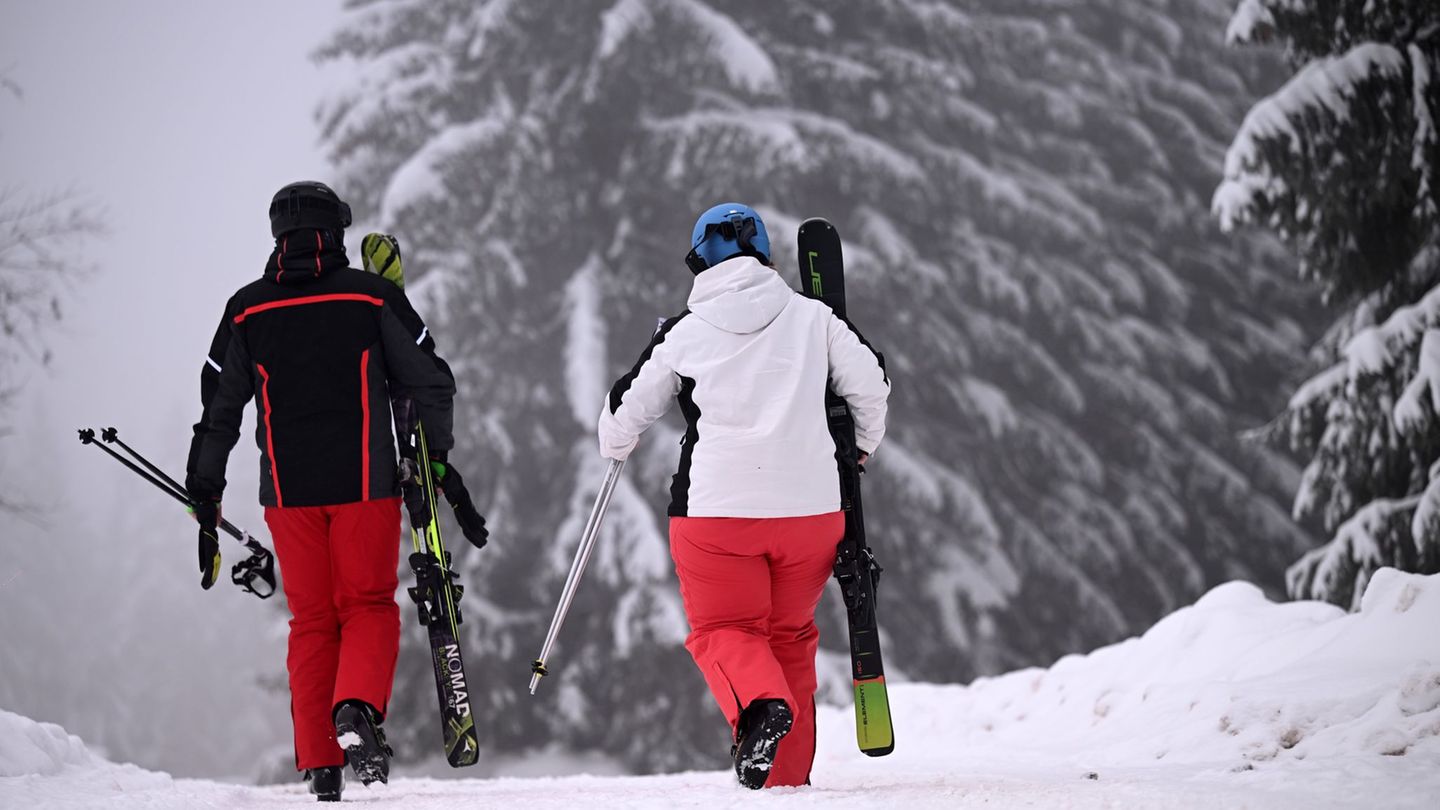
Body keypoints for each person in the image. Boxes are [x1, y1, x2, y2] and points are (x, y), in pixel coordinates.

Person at [597, 203, 890, 789]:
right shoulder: (816, 318)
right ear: (764, 253)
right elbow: (872, 386)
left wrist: (620, 437)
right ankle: (784, 786)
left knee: (724, 631)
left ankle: (758, 707)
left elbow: (619, 422)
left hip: (717, 516)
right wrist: (859, 449)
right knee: (789, 637)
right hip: (811, 514)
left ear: (698, 260)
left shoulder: (685, 331)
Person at [186, 181, 456, 801]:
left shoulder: (246, 309)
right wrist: (434, 457)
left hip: (288, 494)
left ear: (278, 232)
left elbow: (218, 408)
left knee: (311, 622)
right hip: (366, 486)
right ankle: (356, 710)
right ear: (335, 231)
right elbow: (432, 380)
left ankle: (321, 765)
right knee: (365, 605)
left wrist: (205, 490)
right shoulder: (371, 296)